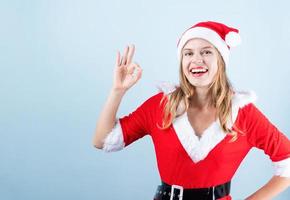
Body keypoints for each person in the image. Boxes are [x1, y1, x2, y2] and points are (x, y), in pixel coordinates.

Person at [92, 21, 290, 200]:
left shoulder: (243, 113)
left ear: (221, 60)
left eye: (206, 52)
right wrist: (117, 91)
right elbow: (103, 140)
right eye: (188, 53)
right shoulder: (160, 105)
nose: (197, 60)